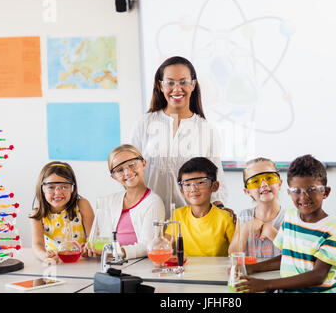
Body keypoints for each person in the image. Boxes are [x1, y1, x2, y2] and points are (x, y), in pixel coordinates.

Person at [130, 56, 228, 219]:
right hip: (148, 217)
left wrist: (219, 213)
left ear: (193, 84)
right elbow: (129, 170)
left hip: (192, 220)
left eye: (183, 82)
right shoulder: (144, 123)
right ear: (160, 86)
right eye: (170, 82)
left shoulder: (206, 129)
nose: (177, 89)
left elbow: (217, 177)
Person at [235, 154, 336, 293]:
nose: (304, 197)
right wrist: (250, 268)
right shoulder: (291, 217)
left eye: (311, 189)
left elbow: (318, 276)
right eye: (296, 191)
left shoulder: (333, 228)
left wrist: (266, 284)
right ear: (289, 192)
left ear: (325, 192)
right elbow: (287, 257)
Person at [87, 144, 165, 260]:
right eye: (119, 170)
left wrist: (116, 252)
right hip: (108, 264)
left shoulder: (153, 203)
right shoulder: (108, 201)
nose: (127, 172)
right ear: (114, 177)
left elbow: (147, 245)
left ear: (143, 163)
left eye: (132, 165)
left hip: (137, 265)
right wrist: (90, 248)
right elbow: (99, 237)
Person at [165, 157, 235, 256]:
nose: (193, 189)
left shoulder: (226, 218)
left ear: (214, 186)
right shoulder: (177, 215)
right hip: (187, 270)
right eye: (187, 184)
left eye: (200, 183)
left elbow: (238, 254)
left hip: (217, 271)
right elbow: (164, 245)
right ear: (182, 191)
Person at [30, 162, 94, 263]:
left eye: (64, 186)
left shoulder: (82, 205)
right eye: (51, 187)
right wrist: (45, 256)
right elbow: (37, 245)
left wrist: (88, 247)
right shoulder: (37, 214)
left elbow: (92, 237)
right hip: (56, 264)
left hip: (80, 262)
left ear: (72, 188)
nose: (58, 192)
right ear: (42, 189)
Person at [228, 157, 285, 261]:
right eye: (255, 181)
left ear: (279, 183)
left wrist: (272, 233)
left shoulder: (289, 218)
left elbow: (296, 257)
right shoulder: (244, 217)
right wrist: (246, 228)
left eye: (269, 178)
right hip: (250, 276)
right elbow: (233, 256)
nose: (264, 184)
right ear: (247, 191)